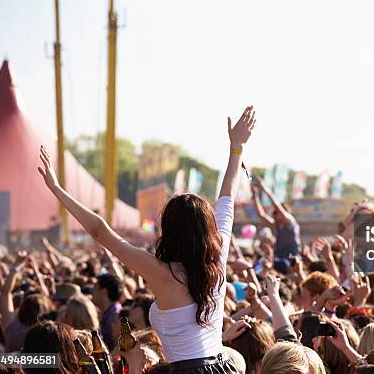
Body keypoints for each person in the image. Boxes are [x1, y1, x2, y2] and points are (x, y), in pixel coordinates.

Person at [37, 106, 256, 373]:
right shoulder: (216, 257)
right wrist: (236, 149)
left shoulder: (162, 272)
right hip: (223, 367)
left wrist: (57, 189)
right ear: (206, 229)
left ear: (170, 230)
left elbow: (100, 232)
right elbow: (227, 199)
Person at [251, 175, 301, 272]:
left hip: (291, 260)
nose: (273, 216)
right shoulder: (276, 225)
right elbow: (261, 215)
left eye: (275, 213)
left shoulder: (290, 222)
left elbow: (276, 205)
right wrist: (255, 196)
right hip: (279, 258)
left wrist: (264, 188)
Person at [92, 273, 123, 349]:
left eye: (95, 287)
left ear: (104, 291)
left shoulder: (115, 317)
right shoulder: (110, 313)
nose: (92, 291)